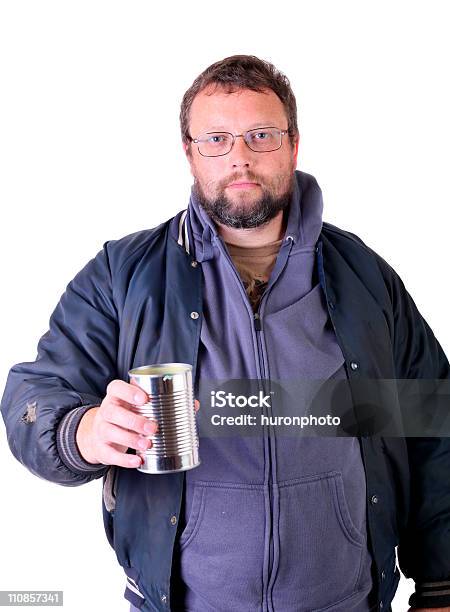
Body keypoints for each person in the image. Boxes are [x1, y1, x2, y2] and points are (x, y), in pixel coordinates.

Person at [1, 54, 449, 612]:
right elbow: (33, 395)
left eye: (260, 136)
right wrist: (84, 431)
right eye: (216, 139)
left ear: (292, 144)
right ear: (190, 152)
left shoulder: (363, 276)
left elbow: (435, 425)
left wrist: (440, 585)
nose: (239, 158)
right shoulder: (124, 275)